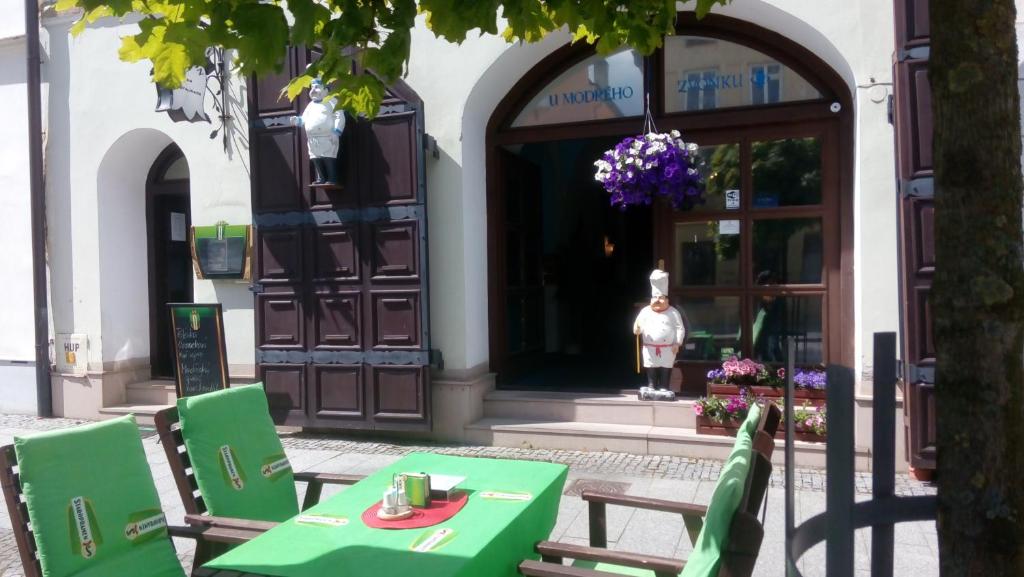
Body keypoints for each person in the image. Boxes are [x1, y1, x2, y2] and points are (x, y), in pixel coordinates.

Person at [633, 269, 686, 392]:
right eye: (654, 297)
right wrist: (637, 329)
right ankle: (651, 385)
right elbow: (638, 325)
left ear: (667, 299)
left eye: (660, 297)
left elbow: (680, 328)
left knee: (665, 367)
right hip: (649, 346)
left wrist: (677, 343)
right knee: (651, 366)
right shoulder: (645, 311)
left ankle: (664, 386)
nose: (657, 300)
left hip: (668, 347)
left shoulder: (673, 312)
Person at [290, 78, 346, 185]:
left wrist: (337, 131)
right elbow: (304, 118)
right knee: (315, 158)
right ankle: (321, 177)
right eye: (312, 87)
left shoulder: (331, 101)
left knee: (328, 157)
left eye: (317, 87)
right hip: (313, 138)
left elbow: (339, 116)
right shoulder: (310, 105)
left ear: (325, 90)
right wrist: (297, 120)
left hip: (328, 136)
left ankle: (332, 178)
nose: (314, 90)